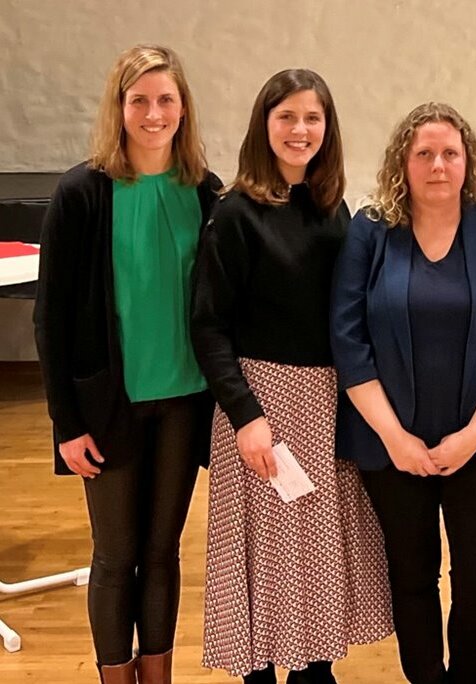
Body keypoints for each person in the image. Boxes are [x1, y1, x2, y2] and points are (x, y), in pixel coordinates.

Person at [191, 69, 392, 684]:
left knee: (315, 555)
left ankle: (314, 670)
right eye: (286, 117)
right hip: (262, 406)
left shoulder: (334, 209)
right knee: (266, 556)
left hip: (326, 403)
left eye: (312, 118)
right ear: (264, 124)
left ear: (328, 128)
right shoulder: (234, 214)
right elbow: (208, 327)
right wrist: (246, 417)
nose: (299, 130)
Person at [329, 102, 476, 684]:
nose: (438, 165)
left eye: (450, 153)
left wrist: (471, 438)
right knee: (411, 578)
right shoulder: (370, 231)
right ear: (403, 162)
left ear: (468, 162)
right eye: (424, 154)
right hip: (393, 449)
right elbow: (348, 337)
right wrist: (394, 438)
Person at [33, 44, 220, 684]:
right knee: (115, 556)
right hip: (106, 407)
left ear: (183, 109)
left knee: (162, 554)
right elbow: (50, 320)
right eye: (139, 100)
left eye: (166, 99)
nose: (153, 113)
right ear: (118, 107)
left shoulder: (206, 192)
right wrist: (66, 424)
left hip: (184, 402)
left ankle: (158, 676)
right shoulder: (81, 193)